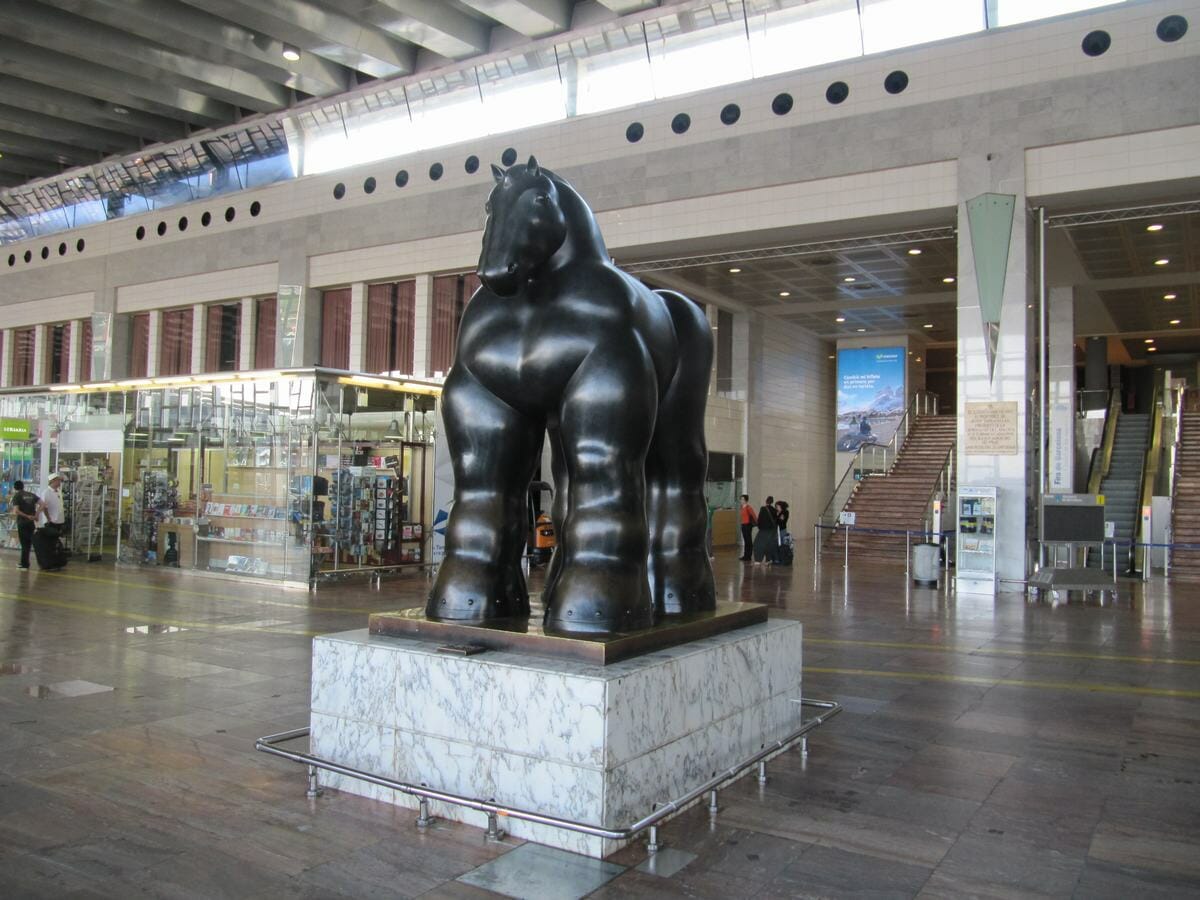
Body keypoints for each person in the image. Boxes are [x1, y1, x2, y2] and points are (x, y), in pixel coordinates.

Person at [35, 473, 67, 570]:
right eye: (58, 480)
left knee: (56, 542)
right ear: (52, 481)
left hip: (59, 520)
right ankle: (50, 562)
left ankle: (57, 561)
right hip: (51, 522)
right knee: (50, 543)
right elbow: (44, 506)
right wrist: (48, 518)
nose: (59, 482)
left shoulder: (59, 491)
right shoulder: (46, 492)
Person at [11, 479, 38, 569]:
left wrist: (27, 516)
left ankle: (24, 564)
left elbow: (16, 511)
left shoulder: (17, 496)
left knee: (24, 544)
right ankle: (38, 561)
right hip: (31, 523)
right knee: (30, 543)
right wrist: (35, 515)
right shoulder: (31, 495)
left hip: (23, 523)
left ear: (15, 488)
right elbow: (43, 504)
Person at [752, 495, 778, 565]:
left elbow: (759, 519)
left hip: (763, 530)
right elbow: (776, 520)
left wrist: (759, 527)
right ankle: (768, 559)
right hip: (772, 530)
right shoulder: (774, 510)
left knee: (758, 544)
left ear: (766, 501)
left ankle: (758, 560)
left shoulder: (763, 509)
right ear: (772, 502)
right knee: (769, 544)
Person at [738, 494, 756, 561]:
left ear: (746, 500)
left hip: (748, 526)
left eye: (742, 499)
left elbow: (754, 516)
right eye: (741, 499)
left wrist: (756, 523)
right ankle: (746, 555)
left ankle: (748, 556)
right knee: (746, 541)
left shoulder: (748, 507)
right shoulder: (742, 507)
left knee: (748, 541)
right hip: (743, 525)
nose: (741, 500)